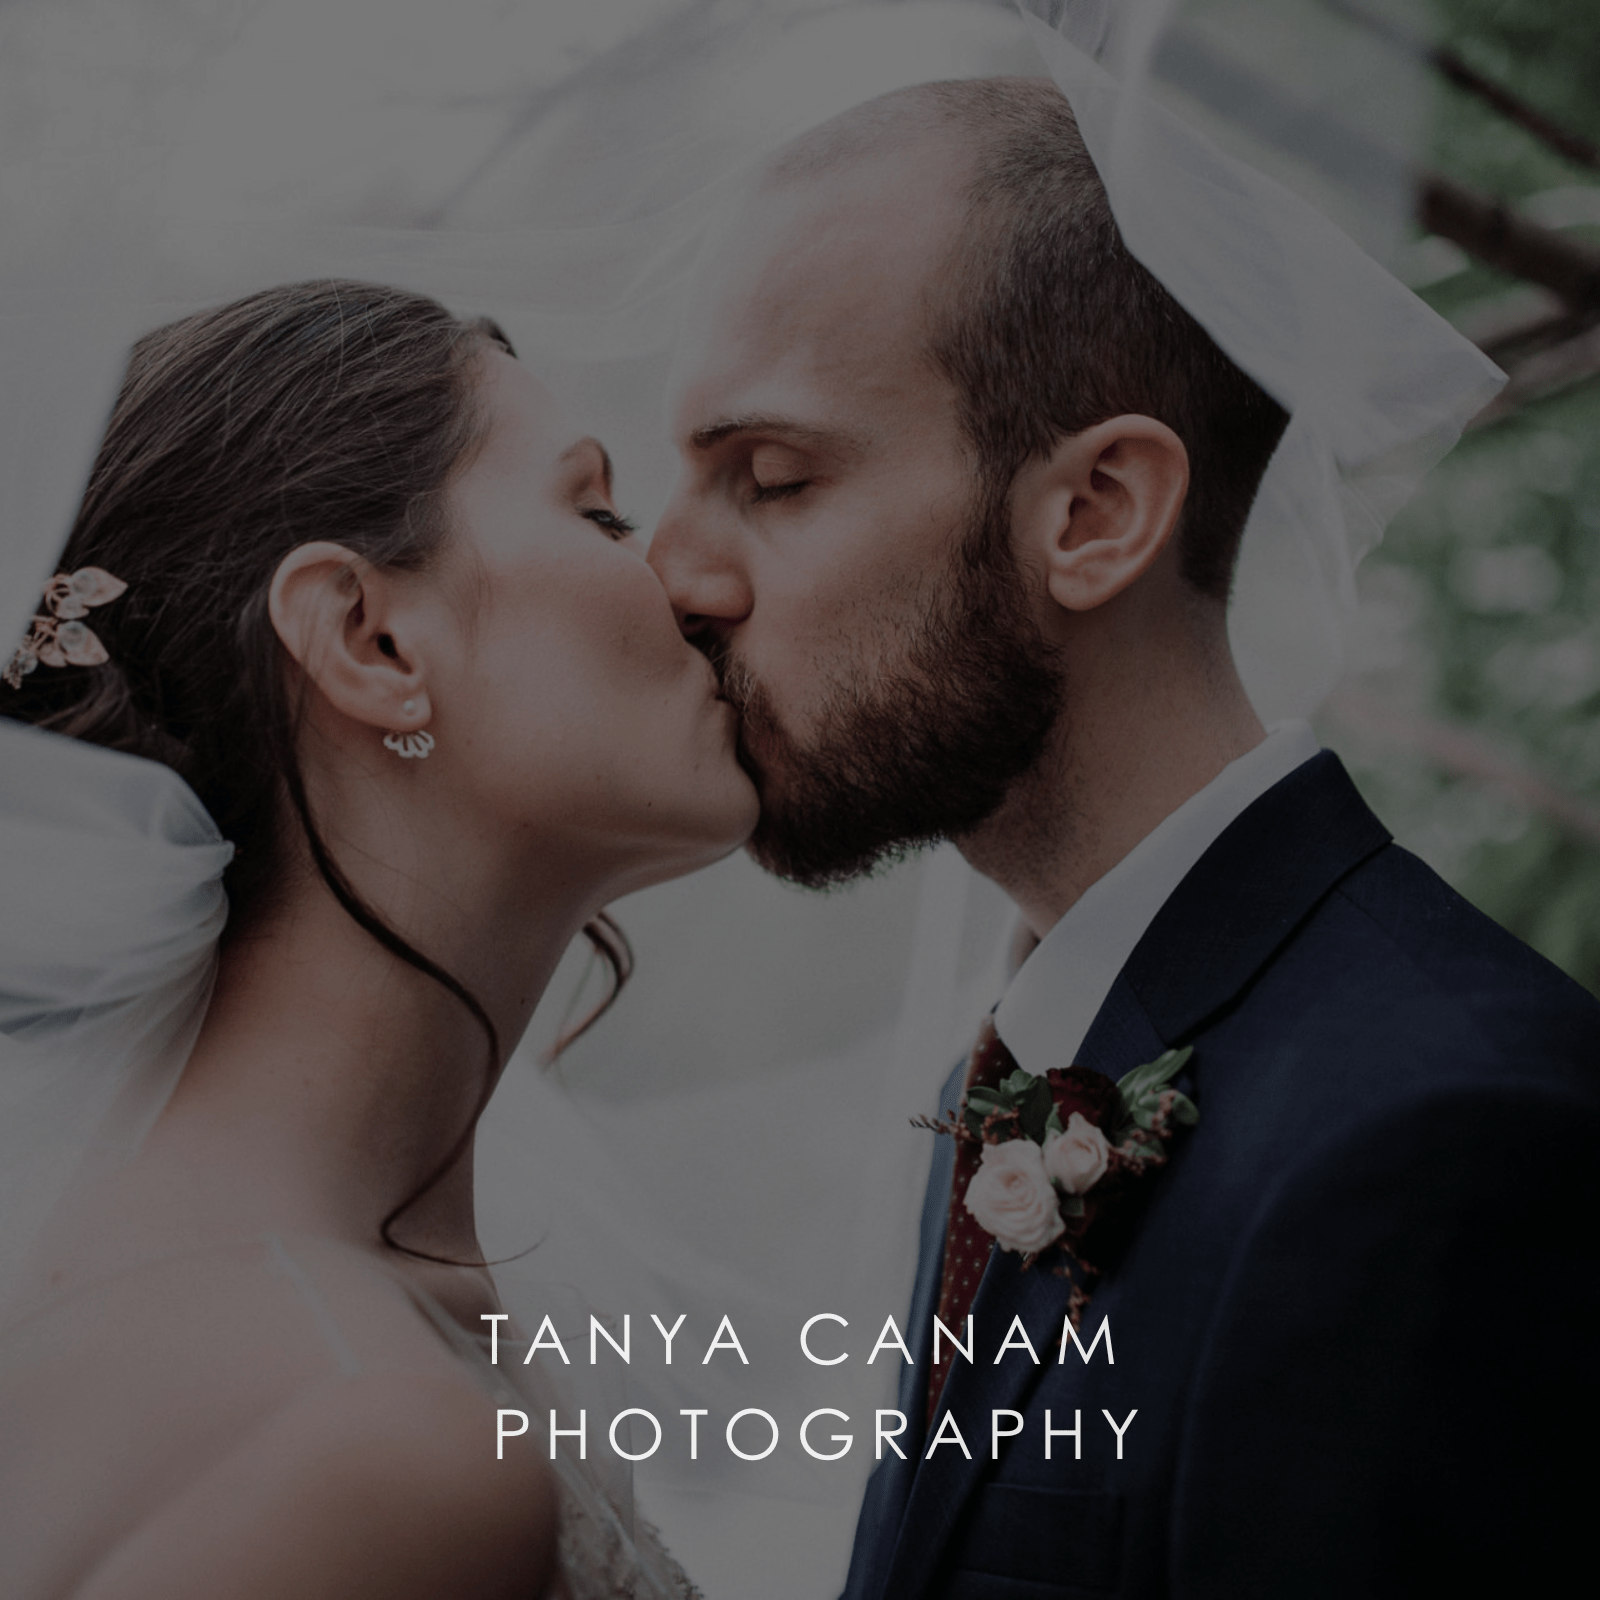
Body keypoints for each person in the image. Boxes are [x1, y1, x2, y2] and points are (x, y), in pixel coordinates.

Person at [645, 76, 1600, 1597]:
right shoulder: (1031, 1070)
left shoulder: (1444, 1140)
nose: (674, 576)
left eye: (771, 480)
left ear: (1095, 513)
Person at [0, 280, 756, 1599]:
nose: (688, 580)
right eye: (596, 510)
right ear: (371, 640)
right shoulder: (371, 1442)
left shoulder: (330, 1317)